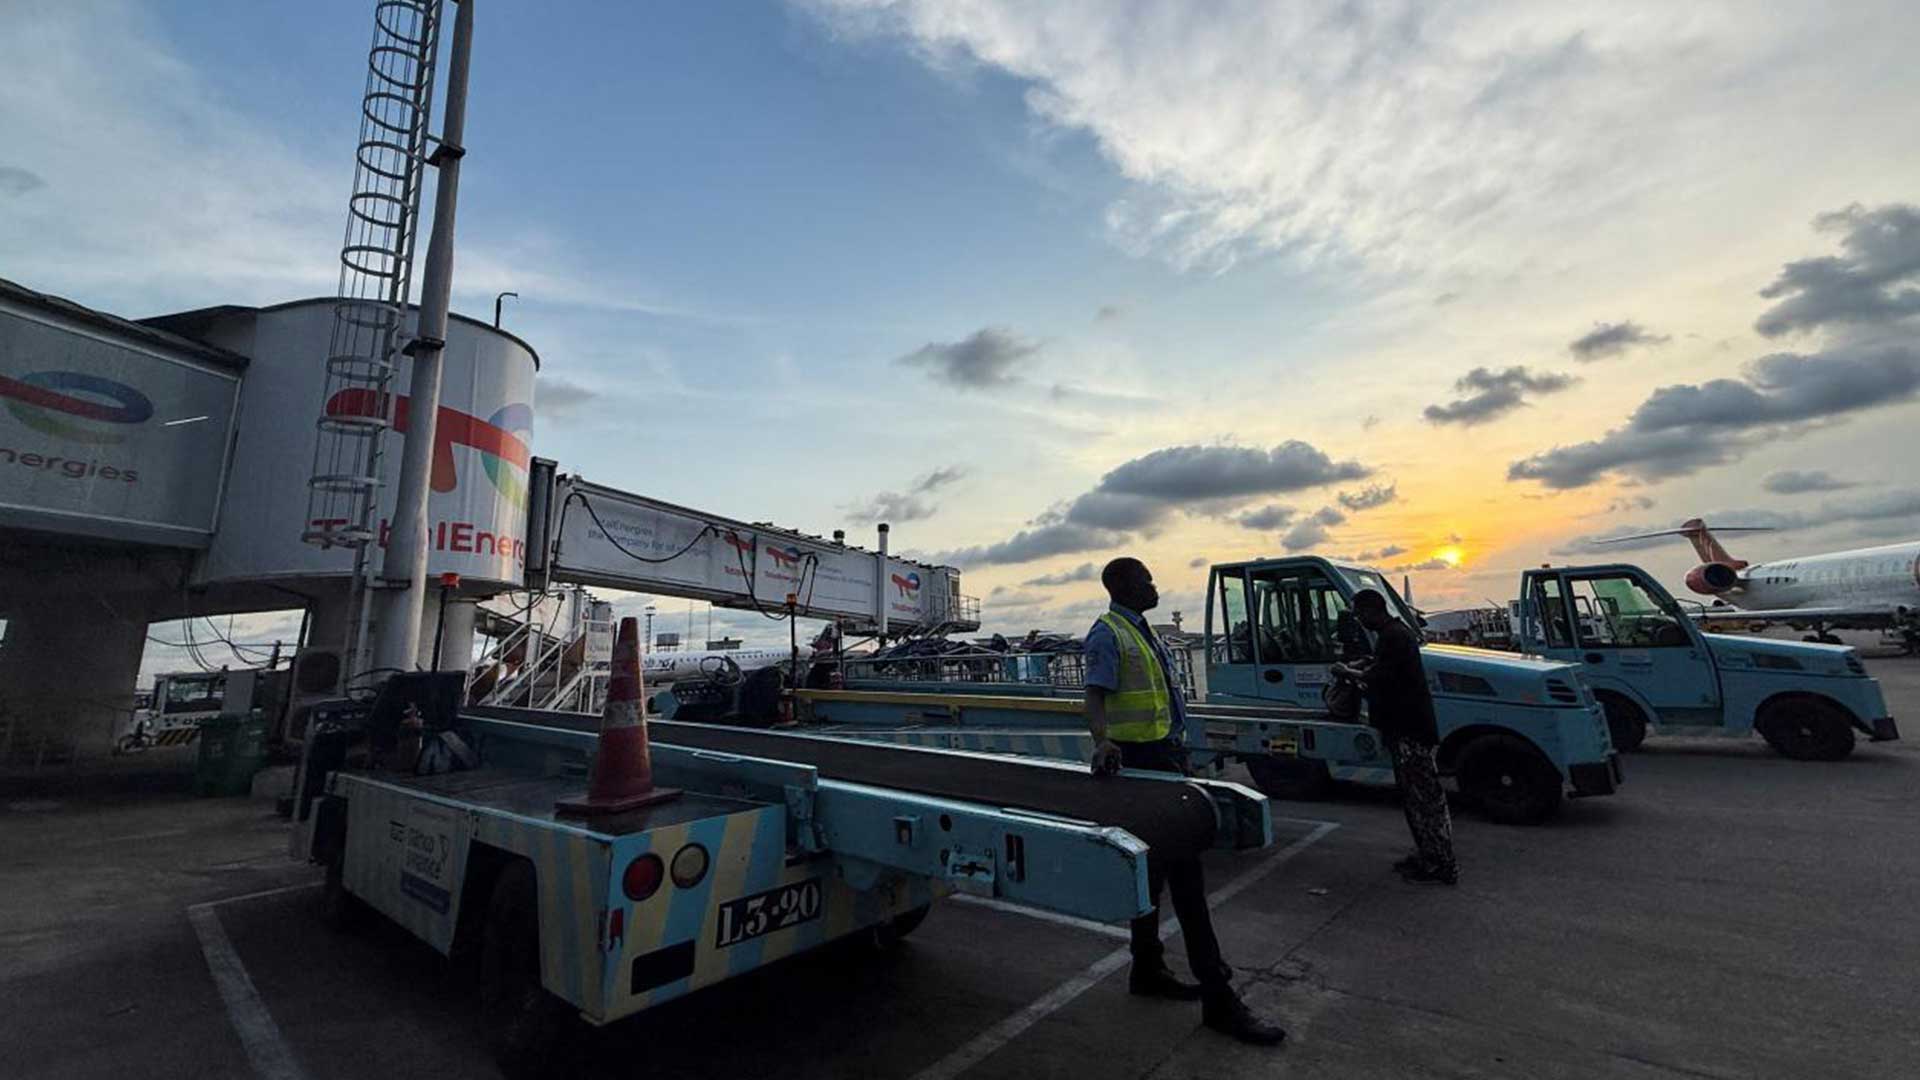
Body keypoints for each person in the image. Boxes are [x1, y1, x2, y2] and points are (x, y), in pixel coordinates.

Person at [1084, 557, 1287, 1045]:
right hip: (1139, 766)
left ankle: (1146, 969)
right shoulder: (1109, 633)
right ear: (1122, 586)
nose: (1154, 585)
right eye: (1145, 579)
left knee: (1151, 877)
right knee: (1189, 882)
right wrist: (1102, 742)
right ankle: (1220, 999)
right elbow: (1094, 695)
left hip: (1164, 758)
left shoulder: (1144, 631)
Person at [1336, 588, 1459, 885]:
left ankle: (1441, 863)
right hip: (1405, 728)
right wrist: (1366, 662)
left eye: (1359, 614)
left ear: (1371, 610)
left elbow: (1382, 677)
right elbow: (1384, 667)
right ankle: (1428, 855)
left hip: (1410, 732)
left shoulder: (1394, 637)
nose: (1360, 621)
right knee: (1414, 798)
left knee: (1424, 800)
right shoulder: (1394, 634)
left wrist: (1346, 671)